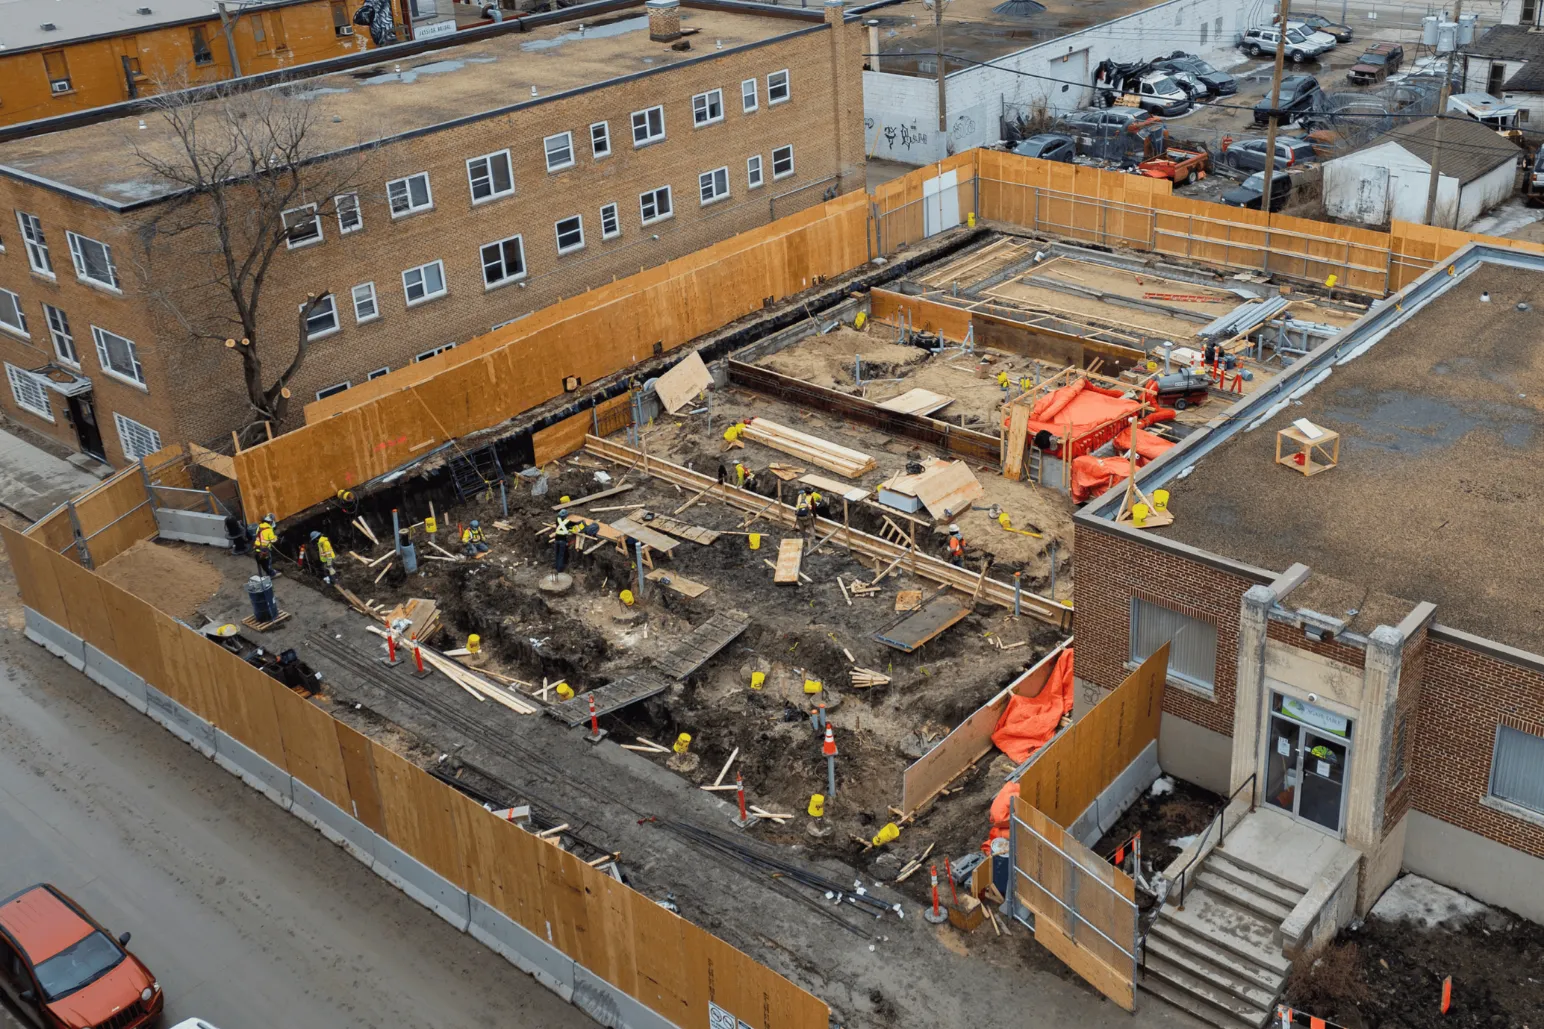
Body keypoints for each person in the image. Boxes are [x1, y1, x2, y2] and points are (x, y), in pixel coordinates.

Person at [553, 508, 573, 572]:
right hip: (562, 541)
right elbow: (572, 527)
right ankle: (559, 569)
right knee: (561, 555)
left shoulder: (557, 519)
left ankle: (556, 566)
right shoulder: (568, 522)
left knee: (557, 554)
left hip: (556, 540)